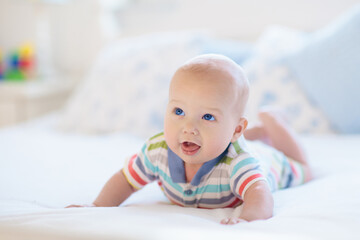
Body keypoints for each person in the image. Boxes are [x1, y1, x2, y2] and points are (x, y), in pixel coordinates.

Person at [67, 54, 312, 225]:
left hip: (272, 162)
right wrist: (98, 206)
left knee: (304, 169)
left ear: (237, 129)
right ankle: (253, 132)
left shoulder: (240, 162)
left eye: (207, 116)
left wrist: (248, 220)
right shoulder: (157, 151)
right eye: (179, 112)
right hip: (225, 139)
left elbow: (259, 193)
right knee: (214, 138)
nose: (189, 128)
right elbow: (127, 179)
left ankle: (274, 123)